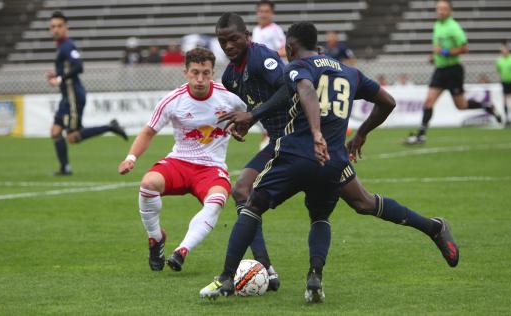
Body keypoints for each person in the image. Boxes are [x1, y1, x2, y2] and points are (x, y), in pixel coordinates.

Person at [201, 21, 459, 303]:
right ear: (319, 46)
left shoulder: (298, 67)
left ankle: (227, 277)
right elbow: (388, 101)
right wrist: (361, 134)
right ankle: (429, 229)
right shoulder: (350, 72)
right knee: (358, 204)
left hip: (298, 151)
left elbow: (306, 90)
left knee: (252, 204)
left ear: (289, 47)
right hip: (333, 159)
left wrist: (314, 133)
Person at [117, 48, 246, 272]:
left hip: (211, 168)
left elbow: (251, 116)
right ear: (185, 72)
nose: (200, 79)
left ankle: (182, 250)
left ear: (213, 72)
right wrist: (131, 157)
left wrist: (242, 127)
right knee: (148, 184)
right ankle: (155, 238)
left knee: (217, 199)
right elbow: (149, 131)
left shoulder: (229, 97)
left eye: (206, 73)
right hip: (179, 162)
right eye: (195, 72)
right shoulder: (173, 100)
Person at [213, 12, 291, 291]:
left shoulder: (262, 57)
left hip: (298, 137)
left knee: (361, 203)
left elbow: (288, 89)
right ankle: (266, 268)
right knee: (242, 190)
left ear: (247, 37)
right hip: (278, 142)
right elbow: (258, 104)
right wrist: (247, 123)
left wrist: (252, 114)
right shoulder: (229, 76)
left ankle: (430, 226)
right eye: (223, 41)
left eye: (234, 39)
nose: (229, 46)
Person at [404, 0, 502, 145]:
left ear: (450, 11)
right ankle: (421, 135)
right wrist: (434, 56)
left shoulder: (454, 27)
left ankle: (487, 106)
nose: (440, 11)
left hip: (453, 70)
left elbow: (464, 48)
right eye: (438, 9)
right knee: (428, 101)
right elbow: (437, 46)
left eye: (443, 9)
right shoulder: (437, 25)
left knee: (461, 106)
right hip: (440, 70)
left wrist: (444, 52)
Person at [46, 11, 127, 176]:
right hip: (66, 97)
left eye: (59, 26)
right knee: (55, 132)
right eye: (53, 26)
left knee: (72, 137)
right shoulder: (61, 46)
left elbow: (79, 67)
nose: (56, 29)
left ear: (66, 28)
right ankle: (65, 168)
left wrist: (60, 79)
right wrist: (56, 76)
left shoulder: (67, 45)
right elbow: (69, 69)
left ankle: (110, 127)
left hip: (73, 96)